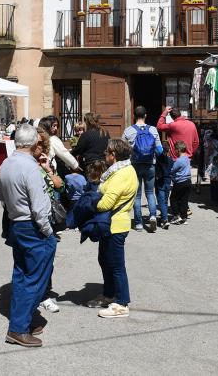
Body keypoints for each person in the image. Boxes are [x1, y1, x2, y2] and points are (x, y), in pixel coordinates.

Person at [0, 124, 57, 348]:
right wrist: (48, 232)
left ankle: (23, 319)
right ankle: (18, 328)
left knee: (22, 275)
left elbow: (2, 197)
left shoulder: (6, 164)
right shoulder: (30, 168)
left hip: (17, 223)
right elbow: (40, 207)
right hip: (32, 226)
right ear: (33, 144)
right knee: (35, 278)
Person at [90, 138, 138, 318]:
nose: (104, 155)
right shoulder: (120, 170)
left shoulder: (122, 173)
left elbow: (107, 203)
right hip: (110, 224)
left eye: (107, 152)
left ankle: (122, 303)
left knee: (117, 266)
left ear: (114, 155)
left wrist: (91, 203)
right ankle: (109, 294)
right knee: (105, 260)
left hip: (116, 224)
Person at [35, 127, 65, 314]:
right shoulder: (26, 165)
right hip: (33, 219)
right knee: (35, 259)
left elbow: (60, 187)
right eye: (35, 143)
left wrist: (47, 169)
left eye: (41, 143)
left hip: (49, 218)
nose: (38, 147)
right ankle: (38, 295)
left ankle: (44, 294)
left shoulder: (45, 163)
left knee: (48, 259)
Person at [123, 106, 163, 232]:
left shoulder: (128, 131)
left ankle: (139, 223)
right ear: (145, 115)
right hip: (150, 164)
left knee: (137, 195)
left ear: (134, 116)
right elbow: (160, 150)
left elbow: (122, 149)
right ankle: (152, 216)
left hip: (135, 165)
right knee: (150, 192)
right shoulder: (153, 129)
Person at [169, 141, 192, 225]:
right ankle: (184, 217)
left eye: (175, 150)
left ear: (178, 150)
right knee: (184, 200)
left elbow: (172, 170)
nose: (175, 151)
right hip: (188, 181)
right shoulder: (187, 158)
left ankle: (176, 215)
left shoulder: (178, 161)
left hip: (180, 182)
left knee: (173, 199)